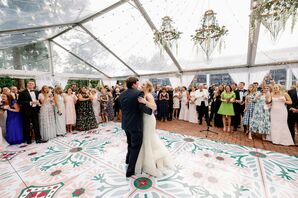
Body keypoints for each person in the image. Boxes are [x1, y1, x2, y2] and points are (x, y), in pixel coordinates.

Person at [135, 81, 172, 177]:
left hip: (149, 119)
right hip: (144, 118)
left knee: (148, 137)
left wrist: (144, 101)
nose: (141, 86)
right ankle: (147, 158)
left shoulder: (148, 95)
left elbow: (154, 107)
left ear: (147, 87)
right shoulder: (144, 94)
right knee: (146, 138)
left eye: (143, 85)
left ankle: (151, 159)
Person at [119, 77, 153, 178]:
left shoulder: (121, 94)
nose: (138, 85)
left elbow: (122, 107)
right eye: (137, 83)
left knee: (129, 142)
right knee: (135, 146)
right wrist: (150, 111)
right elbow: (141, 107)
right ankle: (130, 170)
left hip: (126, 123)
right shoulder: (138, 93)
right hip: (135, 124)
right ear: (133, 84)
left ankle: (127, 160)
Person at [18, 80, 47, 144]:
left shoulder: (37, 92)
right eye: (29, 83)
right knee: (27, 125)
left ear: (34, 85)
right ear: (27, 85)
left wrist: (38, 104)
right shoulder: (22, 92)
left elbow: (40, 100)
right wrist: (30, 102)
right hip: (26, 111)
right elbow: (19, 102)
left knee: (36, 125)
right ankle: (28, 139)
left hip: (35, 111)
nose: (31, 85)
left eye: (32, 84)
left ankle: (38, 139)